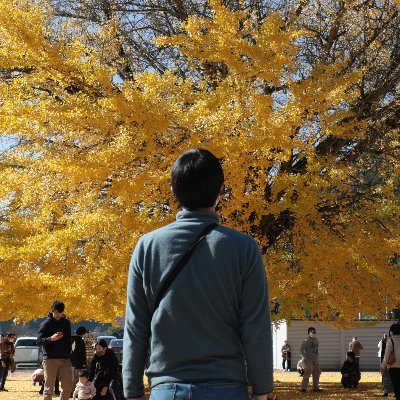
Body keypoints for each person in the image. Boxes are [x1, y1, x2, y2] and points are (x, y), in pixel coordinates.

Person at [123, 149, 274, 400]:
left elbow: (136, 326)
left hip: (167, 388)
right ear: (222, 190)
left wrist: (132, 390)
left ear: (173, 191)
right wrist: (262, 390)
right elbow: (255, 327)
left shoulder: (147, 247)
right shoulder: (243, 248)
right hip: (227, 387)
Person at [37, 300, 73, 400]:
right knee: (49, 388)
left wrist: (69, 353)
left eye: (60, 313)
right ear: (52, 310)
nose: (58, 315)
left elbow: (68, 339)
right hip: (50, 359)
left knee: (68, 386)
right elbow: (38, 341)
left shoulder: (66, 323)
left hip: (65, 358)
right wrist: (51, 338)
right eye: (56, 312)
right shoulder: (46, 324)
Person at [380, 323, 400, 400]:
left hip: (393, 367)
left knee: (396, 385)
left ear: (392, 332)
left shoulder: (391, 340)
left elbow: (387, 354)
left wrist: (382, 366)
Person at [300, 327, 322, 393]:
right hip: (309, 361)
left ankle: (315, 388)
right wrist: (305, 357)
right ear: (309, 333)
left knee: (316, 374)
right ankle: (303, 388)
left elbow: (316, 350)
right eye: (313, 332)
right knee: (307, 375)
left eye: (315, 332)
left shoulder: (316, 340)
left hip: (316, 360)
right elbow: (301, 350)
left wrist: (317, 359)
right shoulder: (306, 340)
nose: (314, 333)